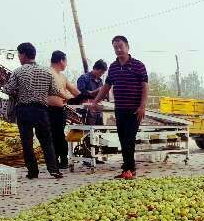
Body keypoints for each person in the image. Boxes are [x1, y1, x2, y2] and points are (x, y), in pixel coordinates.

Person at [4, 42, 64, 179]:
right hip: (41, 110)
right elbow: (54, 91)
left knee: (27, 142)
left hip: (24, 110)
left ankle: (33, 172)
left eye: (19, 54)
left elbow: (8, 89)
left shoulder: (18, 71)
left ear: (23, 54)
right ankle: (54, 170)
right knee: (46, 140)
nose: (19, 57)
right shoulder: (46, 72)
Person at [92, 36, 148, 180]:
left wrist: (142, 106)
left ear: (127, 46)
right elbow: (106, 86)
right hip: (120, 109)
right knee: (123, 139)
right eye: (115, 47)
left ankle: (130, 169)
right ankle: (128, 168)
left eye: (120, 46)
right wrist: (95, 102)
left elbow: (145, 86)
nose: (118, 49)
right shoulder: (113, 67)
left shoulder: (138, 65)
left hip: (134, 109)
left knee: (129, 138)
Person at [48, 51, 81, 169]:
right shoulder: (48, 73)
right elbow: (58, 91)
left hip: (60, 110)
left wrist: (84, 98)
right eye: (66, 61)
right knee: (51, 135)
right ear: (61, 60)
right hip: (48, 110)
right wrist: (70, 98)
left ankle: (63, 159)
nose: (66, 64)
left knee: (60, 135)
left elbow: (74, 90)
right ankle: (54, 159)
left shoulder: (62, 76)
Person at [77, 59, 108, 125]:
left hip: (98, 110)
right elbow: (80, 93)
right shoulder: (83, 78)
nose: (101, 74)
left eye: (103, 73)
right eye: (100, 72)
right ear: (95, 68)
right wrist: (95, 91)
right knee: (88, 131)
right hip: (86, 111)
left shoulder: (100, 81)